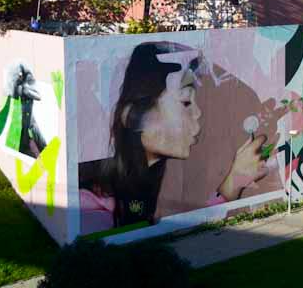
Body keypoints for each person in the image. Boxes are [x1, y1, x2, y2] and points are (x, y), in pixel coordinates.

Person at [79, 42, 269, 233]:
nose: (198, 113)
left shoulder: (152, 182)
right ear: (134, 117)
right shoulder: (93, 211)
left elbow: (175, 229)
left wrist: (233, 182)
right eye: (186, 102)